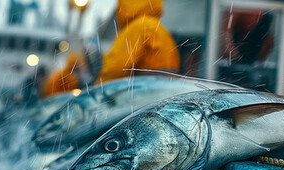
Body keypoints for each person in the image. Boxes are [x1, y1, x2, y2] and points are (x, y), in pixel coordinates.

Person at [39, 0, 180, 97]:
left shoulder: (139, 27)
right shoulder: (159, 29)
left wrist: (98, 93)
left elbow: (116, 67)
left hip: (141, 96)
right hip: (161, 94)